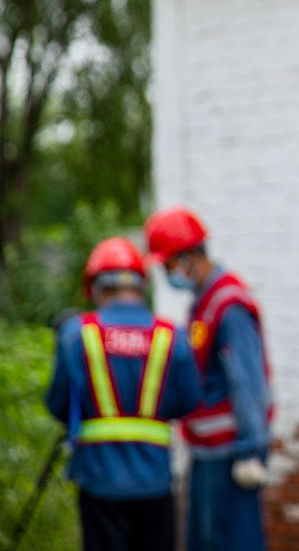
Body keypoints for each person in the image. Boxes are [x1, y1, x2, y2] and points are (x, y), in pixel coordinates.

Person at [46, 236, 201, 551]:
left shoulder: (77, 334)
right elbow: (189, 401)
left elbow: (57, 404)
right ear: (142, 286)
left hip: (99, 481)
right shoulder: (171, 336)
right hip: (155, 481)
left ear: (95, 288)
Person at [143, 206, 273, 551]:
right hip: (207, 452)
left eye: (168, 265)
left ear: (189, 257)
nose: (168, 274)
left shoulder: (228, 305)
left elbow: (248, 382)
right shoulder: (205, 302)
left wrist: (251, 450)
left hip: (231, 453)